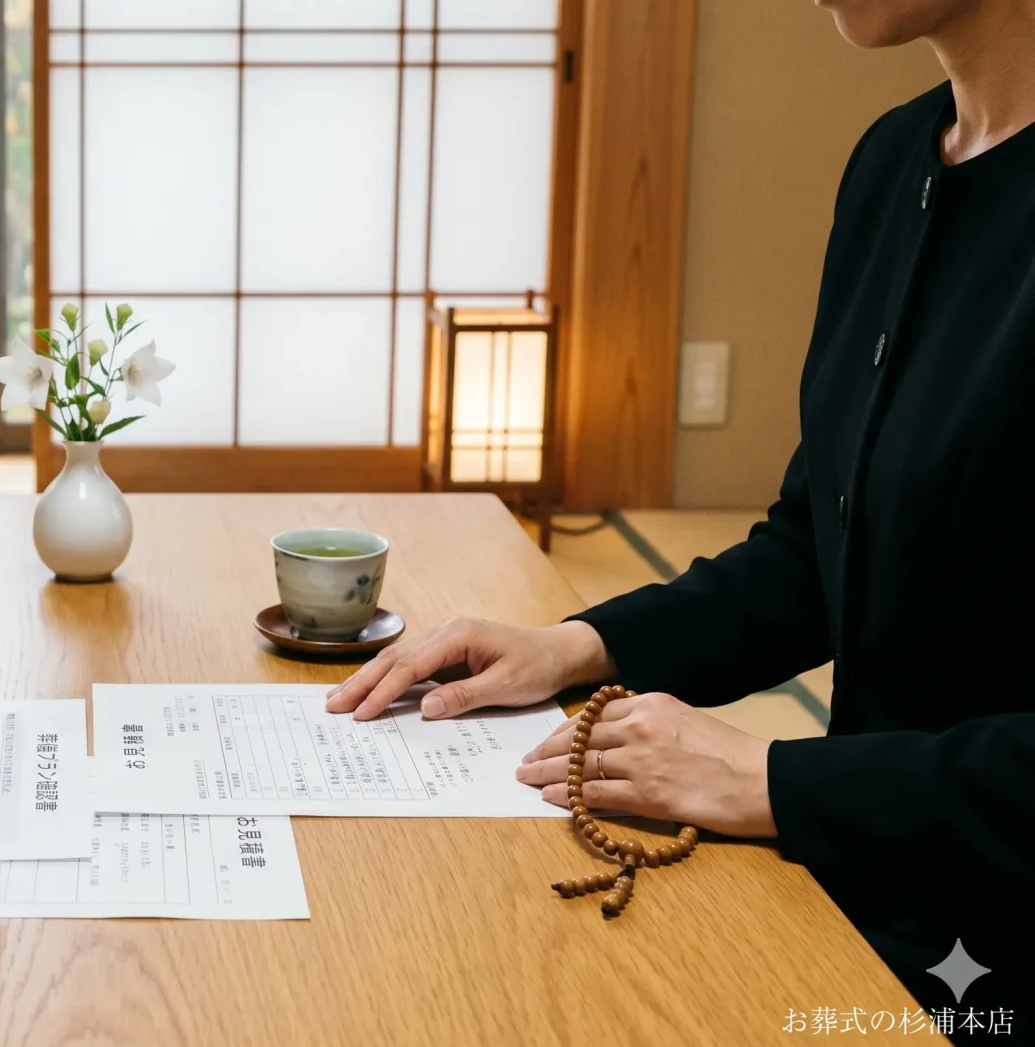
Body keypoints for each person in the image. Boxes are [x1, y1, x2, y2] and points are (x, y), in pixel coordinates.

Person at [331, 0, 1032, 1013]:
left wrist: (772, 782)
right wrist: (576, 645)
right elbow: (818, 551)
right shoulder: (895, 162)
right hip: (865, 896)